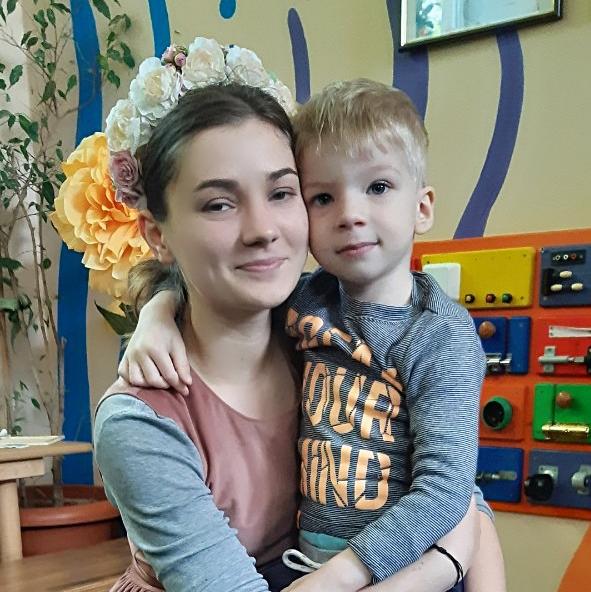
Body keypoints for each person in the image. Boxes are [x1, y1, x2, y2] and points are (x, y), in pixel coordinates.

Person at [118, 76, 506, 591]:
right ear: (157, 233)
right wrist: (157, 312)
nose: (350, 215)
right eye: (322, 197)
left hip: (366, 569)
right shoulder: (309, 306)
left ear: (422, 207)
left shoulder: (430, 334)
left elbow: (453, 489)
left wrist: (400, 569)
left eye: (281, 192)